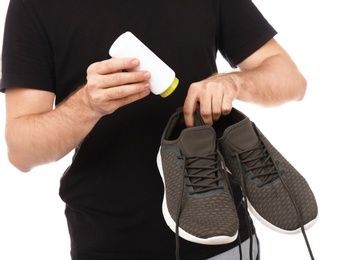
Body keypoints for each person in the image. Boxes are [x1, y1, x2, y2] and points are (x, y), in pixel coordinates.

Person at [1, 0, 306, 259]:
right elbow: (22, 150)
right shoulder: (35, 5)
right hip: (108, 244)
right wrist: (87, 104)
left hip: (223, 240)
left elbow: (291, 79)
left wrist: (234, 82)